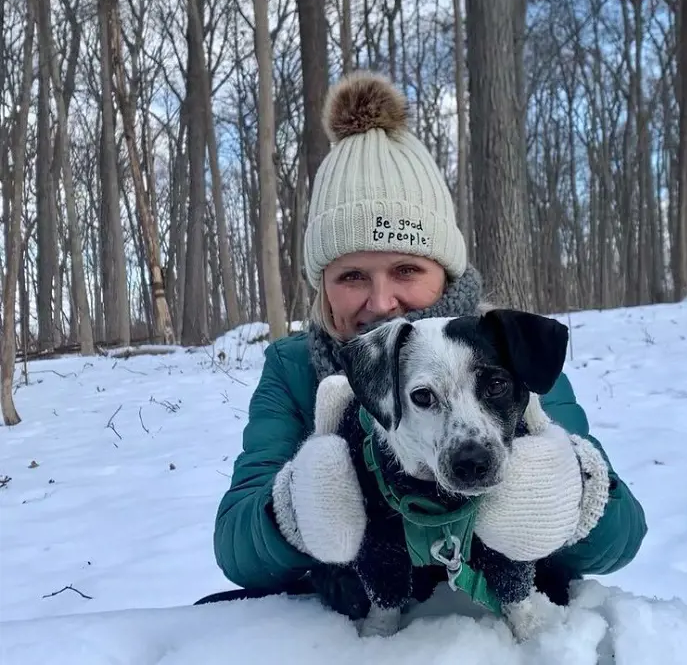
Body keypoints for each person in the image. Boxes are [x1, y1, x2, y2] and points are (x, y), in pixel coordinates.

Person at [203, 71, 647, 615]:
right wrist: (297, 507)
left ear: (445, 271)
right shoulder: (294, 370)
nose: (382, 301)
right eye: (352, 276)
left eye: (406, 269)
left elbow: (622, 540)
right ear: (322, 286)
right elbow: (236, 548)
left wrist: (568, 490)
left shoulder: (504, 357)